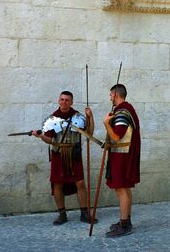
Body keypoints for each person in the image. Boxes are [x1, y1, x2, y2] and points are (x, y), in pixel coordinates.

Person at [32, 91, 97, 225]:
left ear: (71, 102)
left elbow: (89, 133)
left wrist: (90, 117)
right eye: (62, 99)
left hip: (74, 155)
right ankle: (62, 214)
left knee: (80, 183)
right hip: (58, 155)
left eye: (67, 100)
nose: (64, 102)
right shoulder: (52, 119)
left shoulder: (79, 117)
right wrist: (40, 136)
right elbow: (49, 140)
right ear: (58, 100)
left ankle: (85, 214)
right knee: (58, 183)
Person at [102, 84, 141, 237]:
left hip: (121, 155)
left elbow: (117, 136)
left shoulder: (122, 112)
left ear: (116, 94)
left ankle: (124, 225)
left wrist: (106, 124)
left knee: (121, 188)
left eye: (111, 95)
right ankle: (126, 221)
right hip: (123, 154)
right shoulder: (126, 109)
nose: (110, 97)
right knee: (124, 187)